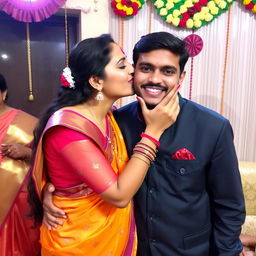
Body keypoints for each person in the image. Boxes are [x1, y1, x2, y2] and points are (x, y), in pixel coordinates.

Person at [43, 32, 245, 256]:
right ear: (134, 70)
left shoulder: (212, 128)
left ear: (181, 76)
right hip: (128, 247)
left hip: (188, 251)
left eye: (168, 71)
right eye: (146, 68)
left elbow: (229, 206)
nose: (155, 79)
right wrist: (53, 191)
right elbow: (72, 163)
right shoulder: (117, 122)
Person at [28, 34, 180, 256]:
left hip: (109, 236)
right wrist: (153, 132)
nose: (132, 70)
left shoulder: (111, 116)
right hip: (79, 243)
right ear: (96, 81)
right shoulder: (69, 129)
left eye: (128, 62)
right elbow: (119, 195)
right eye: (122, 66)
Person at [0, 73, 40, 255]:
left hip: (17, 203)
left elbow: (49, 161)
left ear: (3, 93)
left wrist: (26, 152)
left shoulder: (28, 124)